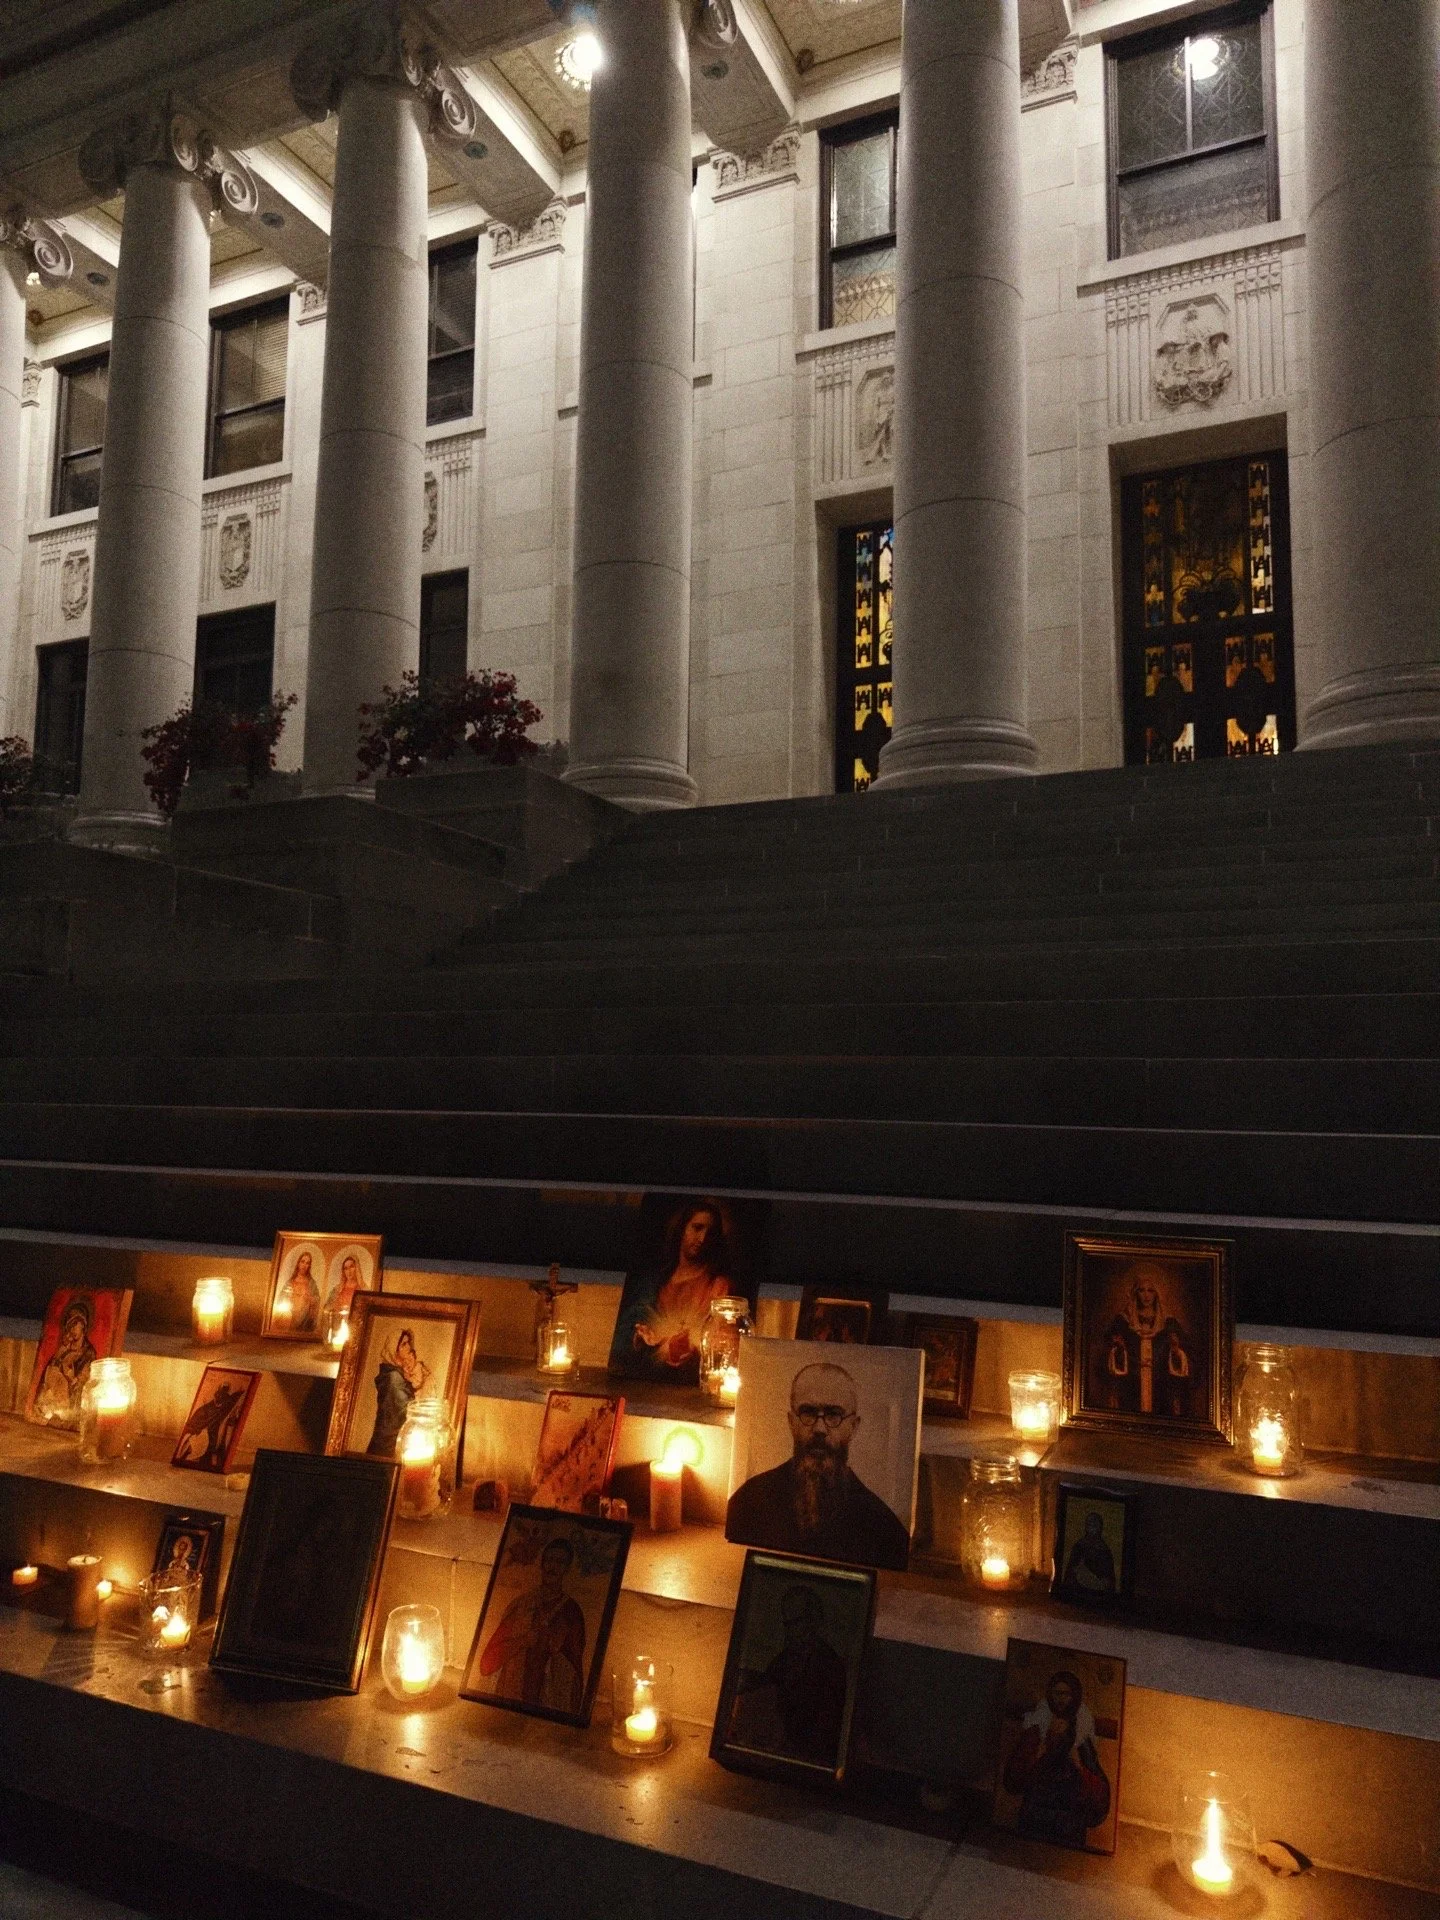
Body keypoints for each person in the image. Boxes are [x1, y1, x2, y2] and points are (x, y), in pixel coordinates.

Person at [725, 1361, 911, 1570]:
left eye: (834, 1415)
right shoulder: (748, 1502)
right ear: (791, 1421)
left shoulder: (883, 1527)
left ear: (854, 1426)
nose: (820, 1428)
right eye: (808, 1412)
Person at [611, 1200, 737, 1381]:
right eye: (697, 1228)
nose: (702, 1239)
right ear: (682, 1229)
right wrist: (640, 1339)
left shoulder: (718, 1286)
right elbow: (625, 1339)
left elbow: (720, 1344)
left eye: (711, 1233)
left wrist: (685, 1349)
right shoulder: (655, 1282)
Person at [728, 1582, 850, 1767]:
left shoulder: (830, 1665)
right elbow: (767, 1683)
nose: (791, 1630)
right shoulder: (785, 1659)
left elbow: (825, 1729)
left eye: (797, 1622)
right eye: (787, 1623)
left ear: (814, 1620)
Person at [1002, 1670, 1112, 1849]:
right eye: (1057, 1693)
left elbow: (1098, 1808)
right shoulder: (1036, 1731)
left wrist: (1079, 1767)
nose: (1061, 1699)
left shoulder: (1082, 1738)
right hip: (1033, 1824)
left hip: (1068, 1830)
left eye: (1066, 1694)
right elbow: (1012, 1781)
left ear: (1074, 1696)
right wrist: (1039, 1753)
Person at [477, 1538, 586, 1715]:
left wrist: (556, 1650)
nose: (553, 1567)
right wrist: (522, 1641)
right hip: (510, 1703)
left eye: (559, 1562)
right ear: (542, 1565)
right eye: (549, 1560)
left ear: (567, 1568)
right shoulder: (521, 1605)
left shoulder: (571, 1612)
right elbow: (487, 1663)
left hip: (549, 1710)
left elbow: (576, 1675)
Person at [1095, 1266, 1199, 1420]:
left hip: (1161, 1389)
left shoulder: (1169, 1323)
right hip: (1130, 1388)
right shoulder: (1122, 1321)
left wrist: (1177, 1351)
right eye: (1141, 1290)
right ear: (1135, 1293)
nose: (1146, 1296)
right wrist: (1118, 1350)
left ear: (1157, 1293)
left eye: (1151, 1291)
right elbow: (1103, 1355)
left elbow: (1189, 1355)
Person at [366, 1329, 431, 1457]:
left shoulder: (401, 1374)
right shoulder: (393, 1377)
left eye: (408, 1343)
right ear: (394, 1350)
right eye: (403, 1344)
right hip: (388, 1441)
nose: (409, 1347)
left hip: (395, 1438)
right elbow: (405, 1410)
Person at [33, 1298, 98, 1423]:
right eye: (69, 1326)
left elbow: (85, 1380)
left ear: (83, 1325)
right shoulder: (64, 1349)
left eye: (75, 1324)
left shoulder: (88, 1353)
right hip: (52, 1399)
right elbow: (48, 1373)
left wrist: (72, 1378)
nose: (72, 1330)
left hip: (70, 1402)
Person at [174, 1381, 248, 1471]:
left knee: (210, 1448)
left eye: (224, 1392)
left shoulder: (224, 1405)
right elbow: (192, 1425)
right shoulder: (205, 1410)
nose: (220, 1397)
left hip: (210, 1435)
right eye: (220, 1393)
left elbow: (231, 1401)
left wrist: (239, 1393)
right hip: (200, 1433)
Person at [1062, 1511, 1117, 1596]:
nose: (1092, 1527)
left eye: (1095, 1524)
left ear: (1100, 1527)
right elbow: (1071, 1572)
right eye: (1090, 1524)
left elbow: (1109, 1579)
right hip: (1078, 1590)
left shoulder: (1104, 1551)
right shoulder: (1079, 1546)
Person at [274, 1249, 320, 1335]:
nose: (304, 1265)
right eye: (302, 1261)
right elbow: (281, 1298)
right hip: (290, 1317)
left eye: (307, 1263)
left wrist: (310, 1298)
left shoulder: (311, 1283)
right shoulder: (290, 1282)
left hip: (305, 1319)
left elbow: (317, 1299)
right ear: (298, 1263)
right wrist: (288, 1298)